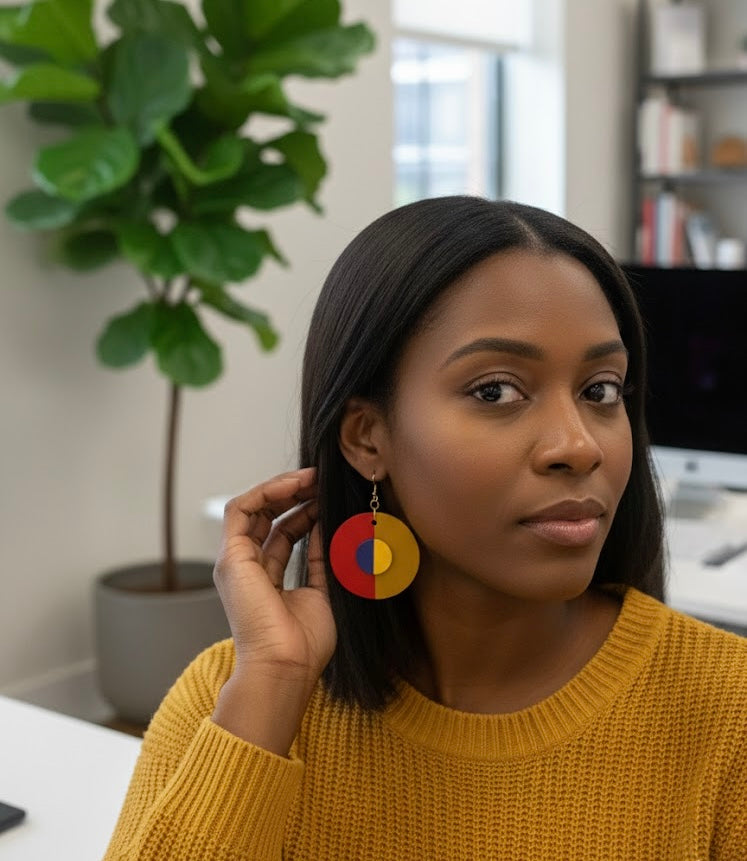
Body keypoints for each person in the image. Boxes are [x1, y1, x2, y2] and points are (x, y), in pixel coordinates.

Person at [102, 197, 747, 860]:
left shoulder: (727, 710)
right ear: (366, 436)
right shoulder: (231, 698)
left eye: (600, 390)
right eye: (495, 390)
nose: (578, 445)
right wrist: (272, 688)